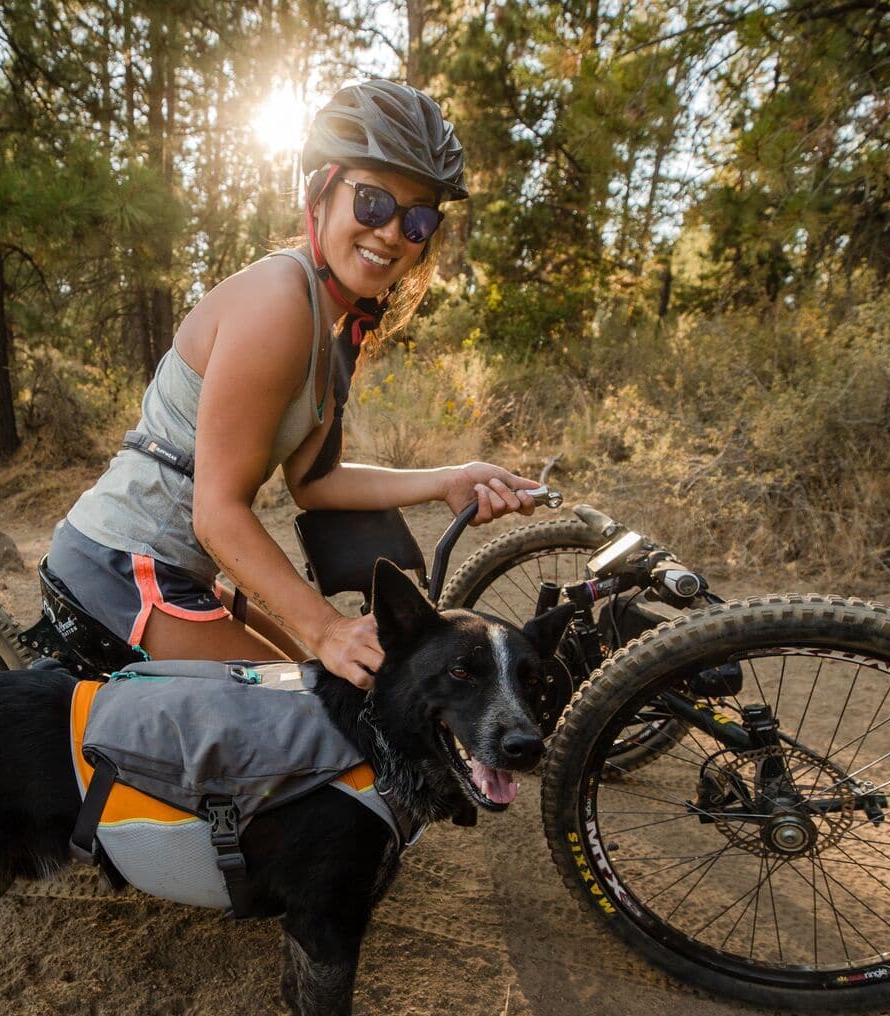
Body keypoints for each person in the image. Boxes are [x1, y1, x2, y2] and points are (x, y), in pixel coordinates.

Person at [47, 79, 539, 688]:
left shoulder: (334, 327)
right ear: (321, 191)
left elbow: (315, 482)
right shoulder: (279, 301)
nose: (392, 233)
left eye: (416, 219)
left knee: (327, 689)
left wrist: (448, 479)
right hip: (124, 564)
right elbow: (216, 514)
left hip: (171, 568)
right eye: (373, 202)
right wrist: (328, 629)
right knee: (315, 714)